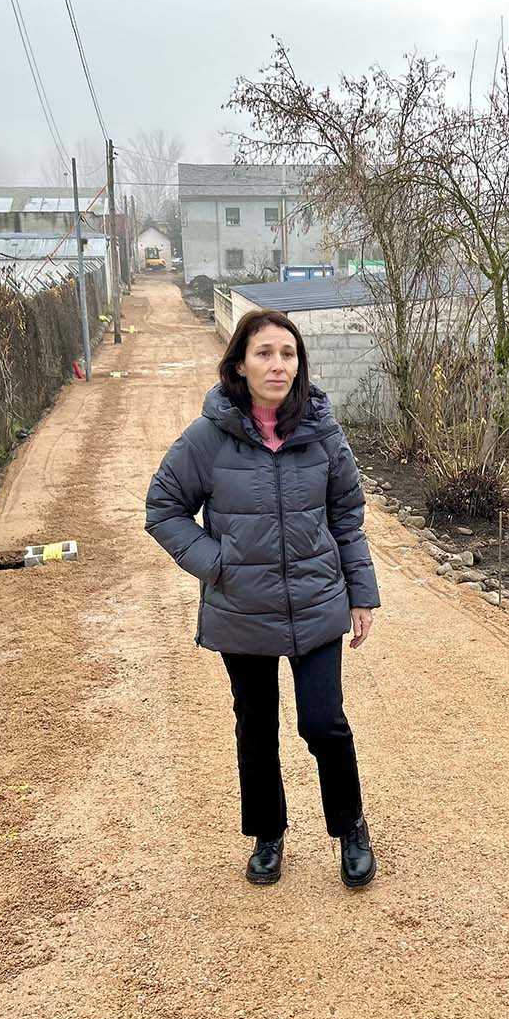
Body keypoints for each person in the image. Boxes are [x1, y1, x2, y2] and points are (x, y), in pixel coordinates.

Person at [145, 309, 381, 889]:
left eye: (288, 354)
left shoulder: (323, 433)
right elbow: (164, 509)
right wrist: (218, 565)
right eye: (265, 353)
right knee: (255, 726)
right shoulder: (208, 438)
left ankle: (350, 827)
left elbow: (346, 518)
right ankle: (267, 833)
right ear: (240, 365)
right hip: (243, 610)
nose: (278, 365)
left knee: (324, 723)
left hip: (316, 601)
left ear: (299, 366)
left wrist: (361, 593)